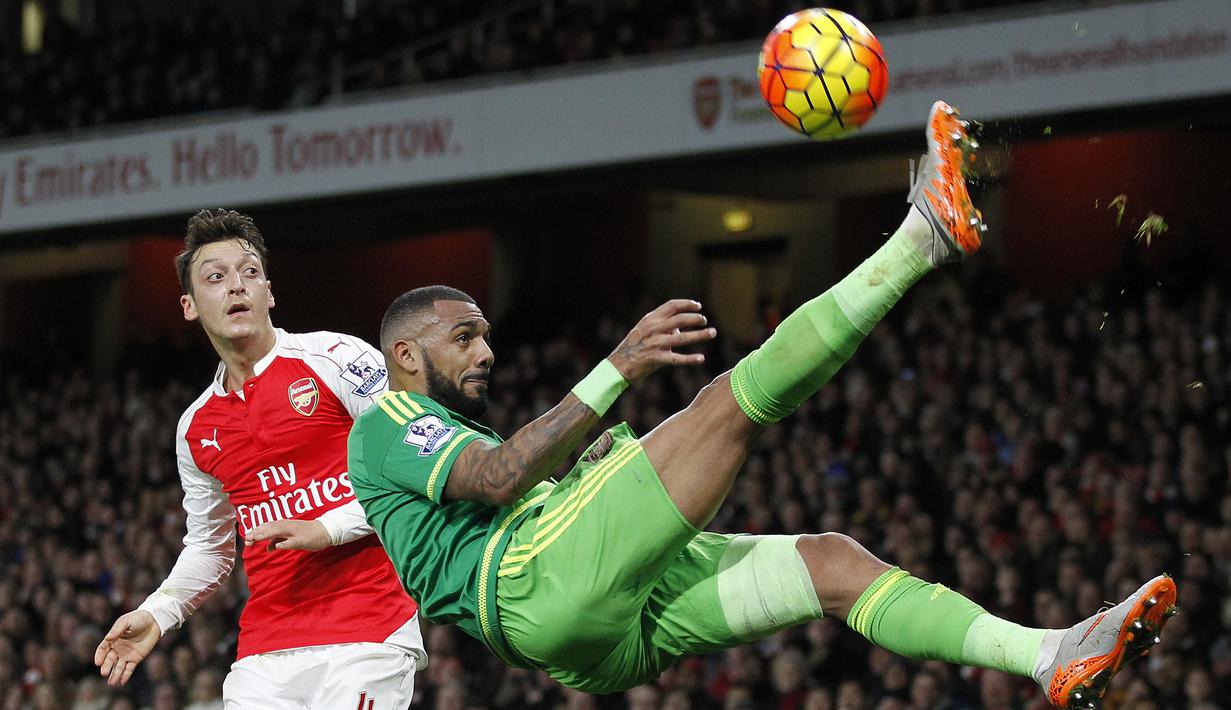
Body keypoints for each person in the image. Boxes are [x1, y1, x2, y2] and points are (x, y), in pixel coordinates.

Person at [348, 102, 1178, 710]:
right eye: (464, 337)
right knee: (727, 406)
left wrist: (573, 481)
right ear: (406, 354)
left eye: (485, 333)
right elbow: (496, 479)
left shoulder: (442, 432)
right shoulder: (385, 424)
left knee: (831, 566)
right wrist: (616, 366)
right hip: (537, 586)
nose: (485, 350)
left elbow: (496, 491)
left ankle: (1050, 656)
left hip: (592, 635)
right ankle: (924, 233)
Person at [94, 209, 424, 709]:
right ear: (189, 305)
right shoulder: (195, 428)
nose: (236, 287)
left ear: (269, 293)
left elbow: (414, 469)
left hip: (368, 630)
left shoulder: (337, 359)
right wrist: (159, 612)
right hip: (264, 654)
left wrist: (327, 528)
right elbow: (211, 547)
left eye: (250, 273)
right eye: (216, 277)